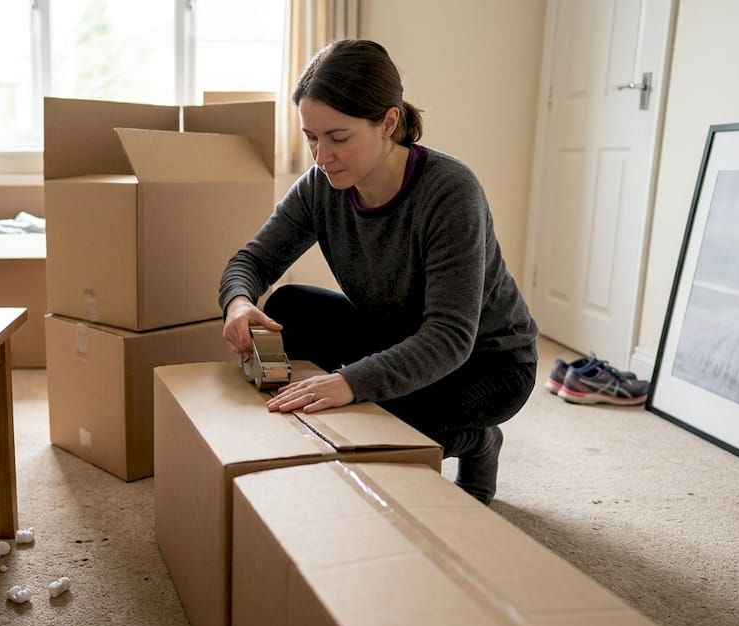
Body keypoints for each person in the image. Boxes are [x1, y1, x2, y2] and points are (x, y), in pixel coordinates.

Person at [218, 39, 538, 504]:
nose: (321, 156)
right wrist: (238, 302)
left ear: (388, 122)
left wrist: (350, 382)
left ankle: (478, 440)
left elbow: (449, 337)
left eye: (338, 137)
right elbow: (251, 262)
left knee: (372, 422)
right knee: (288, 306)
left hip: (487, 362)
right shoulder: (320, 186)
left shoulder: (451, 191)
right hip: (401, 335)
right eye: (311, 137)